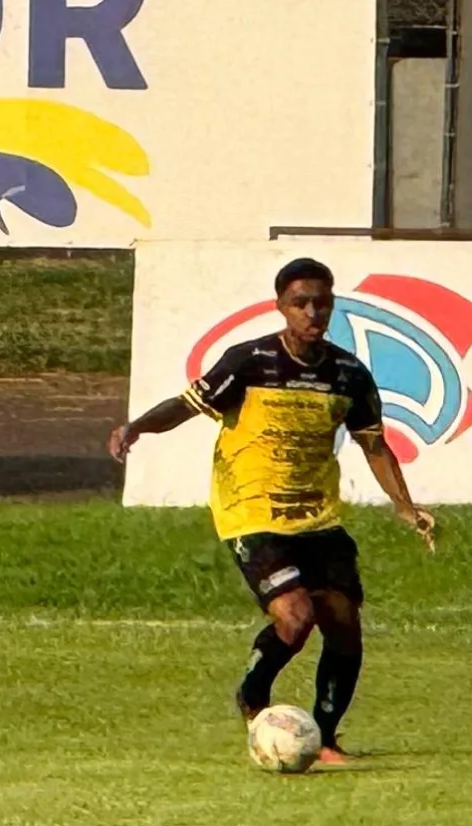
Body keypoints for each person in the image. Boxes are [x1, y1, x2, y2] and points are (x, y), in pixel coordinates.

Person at [109, 258, 437, 760]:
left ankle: (325, 737)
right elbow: (187, 403)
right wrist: (136, 428)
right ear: (280, 306)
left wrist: (405, 506)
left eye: (321, 302)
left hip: (318, 516)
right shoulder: (250, 361)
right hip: (251, 510)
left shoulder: (348, 373)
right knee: (296, 616)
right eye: (300, 303)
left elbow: (375, 444)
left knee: (343, 622)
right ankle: (252, 693)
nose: (312, 312)